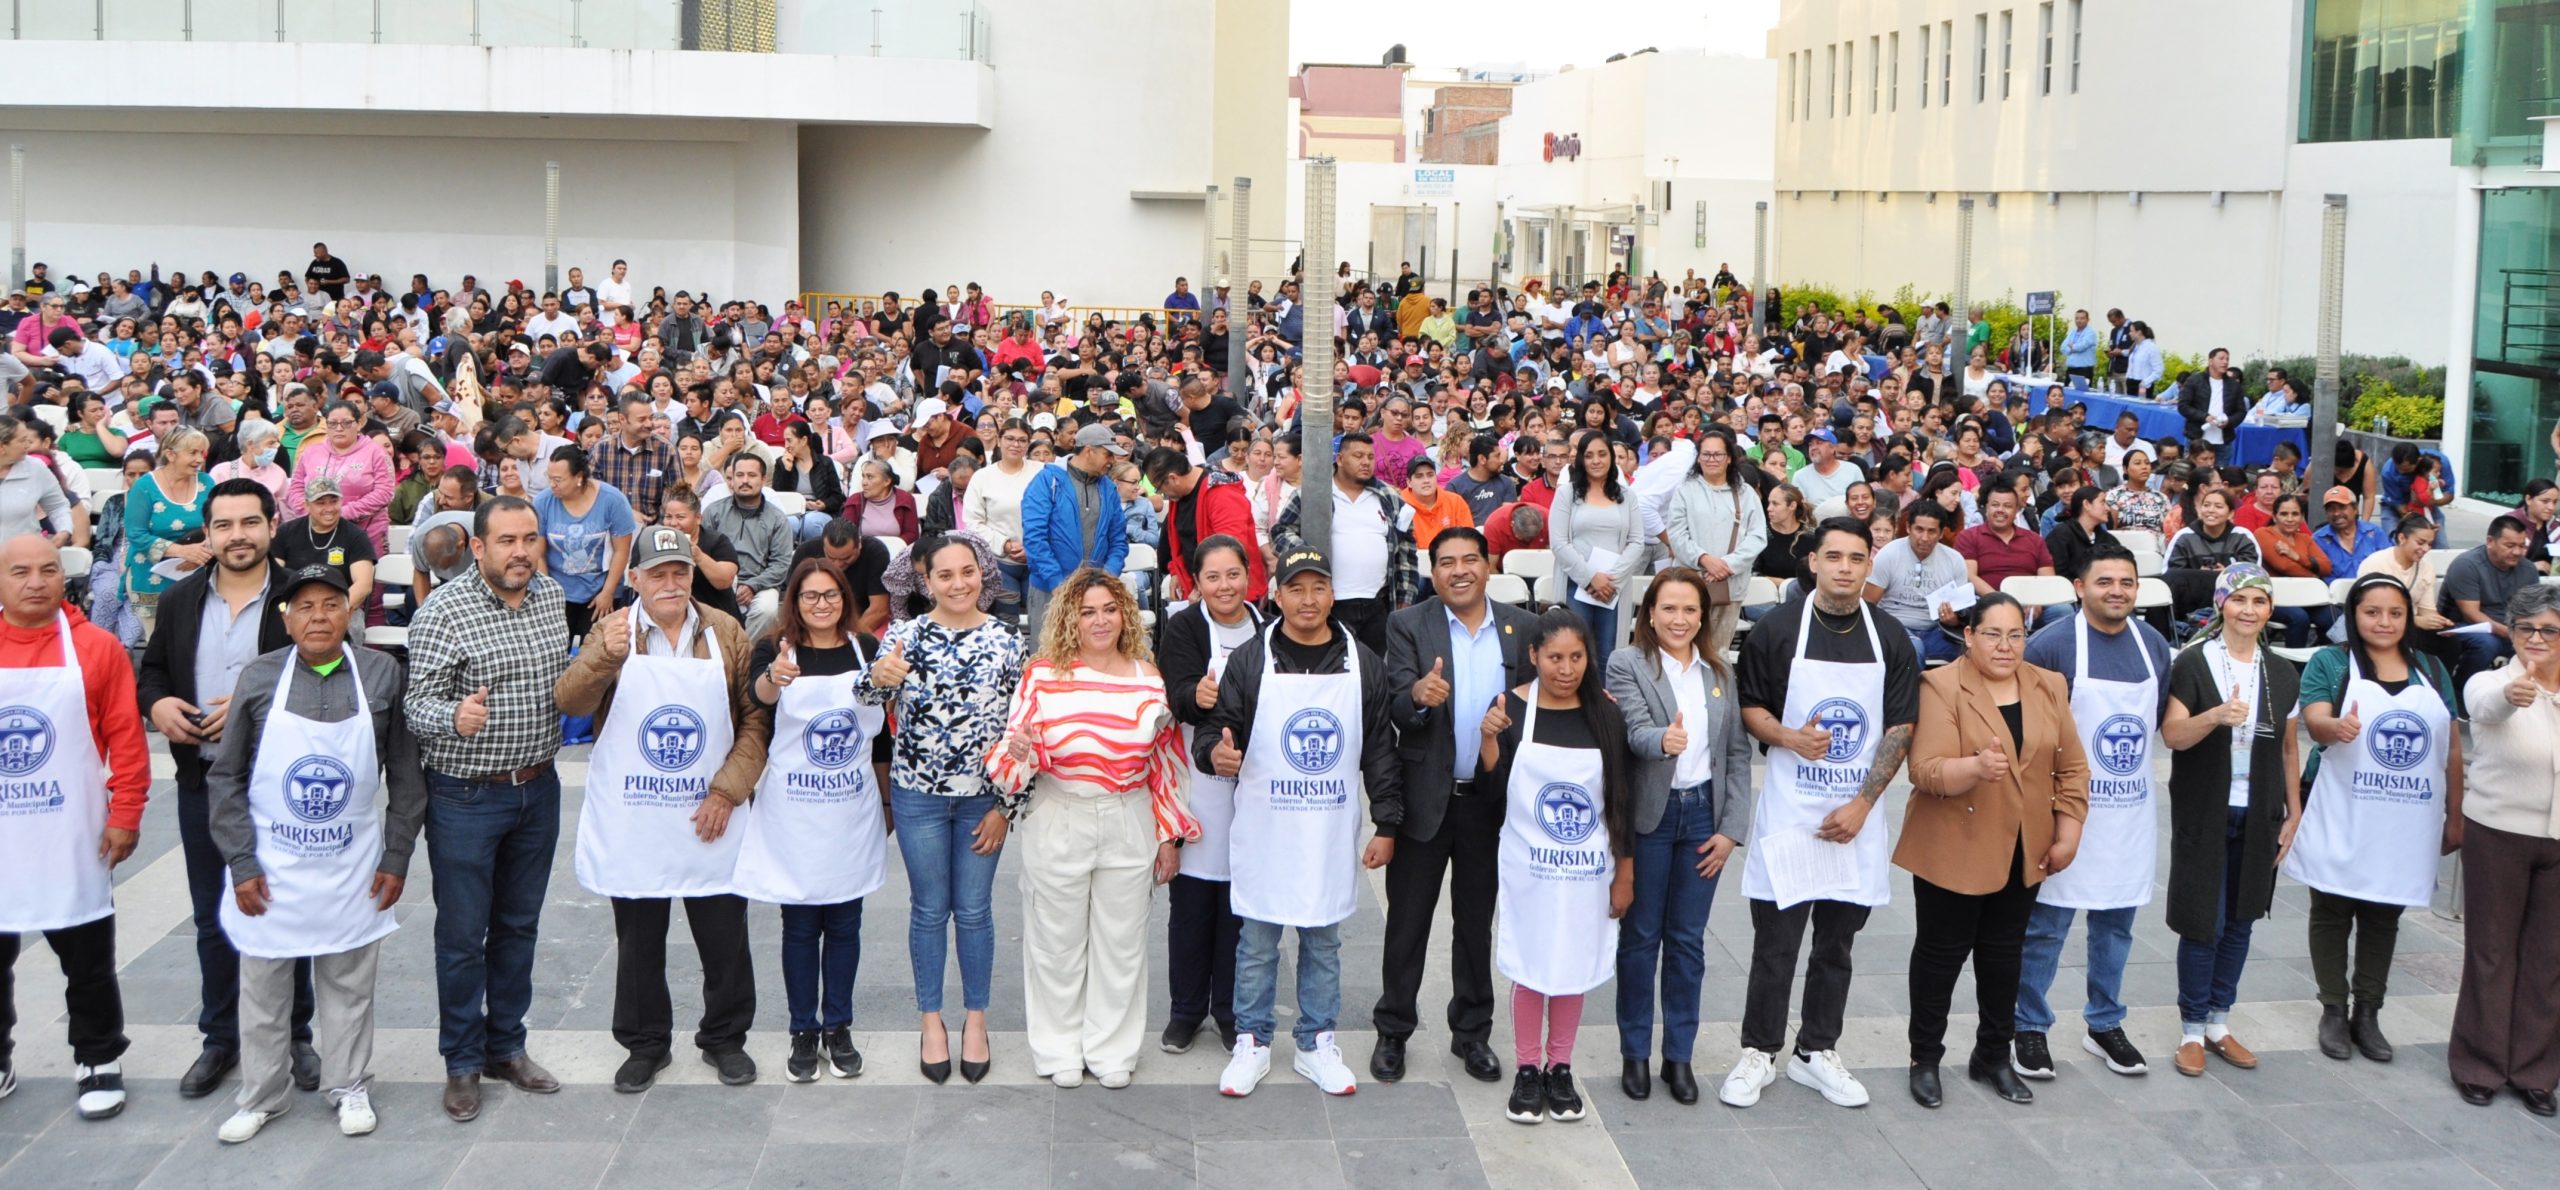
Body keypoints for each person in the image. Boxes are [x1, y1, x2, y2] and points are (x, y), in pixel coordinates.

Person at [204, 565, 421, 1143]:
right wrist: (242, 864)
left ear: (350, 611)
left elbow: (405, 776)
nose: (319, 616)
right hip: (272, 868)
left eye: (331, 604)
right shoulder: (258, 677)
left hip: (354, 866)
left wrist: (396, 857)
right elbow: (224, 780)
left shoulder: (380, 674)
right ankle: (261, 1096)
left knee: (350, 985)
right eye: (305, 607)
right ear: (286, 617)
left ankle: (349, 1085)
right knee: (264, 990)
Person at [557, 525, 770, 1092]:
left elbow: (754, 720)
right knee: (638, 939)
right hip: (637, 814)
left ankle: (725, 1038)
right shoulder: (612, 630)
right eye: (658, 574)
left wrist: (727, 791)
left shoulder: (725, 631)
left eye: (680, 573)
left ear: (693, 576)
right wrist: (600, 660)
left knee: (725, 935)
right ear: (634, 580)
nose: (671, 584)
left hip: (711, 811)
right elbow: (570, 702)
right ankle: (645, 1043)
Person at [1724, 518, 1919, 1111]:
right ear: (1811, 561)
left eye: (1856, 558)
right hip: (1791, 809)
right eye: (1832, 556)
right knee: (1775, 943)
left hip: (1856, 816)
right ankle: (1759, 1051)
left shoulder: (1891, 638)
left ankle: (1816, 1052)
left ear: (1868, 566)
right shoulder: (1777, 629)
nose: (1843, 568)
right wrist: (1786, 737)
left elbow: (1901, 726)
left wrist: (1863, 804)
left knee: (1837, 944)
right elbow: (1750, 704)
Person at [135, 478, 320, 1099]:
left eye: (249, 523)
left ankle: (296, 1034)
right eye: (223, 525)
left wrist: (249, 704)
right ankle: (220, 1036)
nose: (236, 535)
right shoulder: (182, 598)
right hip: (203, 781)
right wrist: (156, 703)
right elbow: (153, 669)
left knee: (283, 910)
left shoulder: (302, 598)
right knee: (214, 915)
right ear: (207, 535)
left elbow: (329, 672)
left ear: (272, 526)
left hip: (278, 784)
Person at [1195, 546, 1401, 1097]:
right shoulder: (1252, 660)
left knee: (1324, 941)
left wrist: (1387, 822)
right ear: (1278, 595)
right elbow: (1216, 728)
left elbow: (1379, 748)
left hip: (1328, 828)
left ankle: (1315, 1042)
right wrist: (1215, 752)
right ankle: (1253, 1042)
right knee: (1257, 942)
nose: (1308, 599)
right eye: (1297, 588)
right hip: (1267, 828)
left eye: (1318, 588)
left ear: (1332, 594)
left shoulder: (1363, 663)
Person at [987, 568, 1199, 1088]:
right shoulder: (1042, 675)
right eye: (1087, 612)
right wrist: (1021, 754)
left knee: (1121, 942)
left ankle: (1112, 1050)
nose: (1100, 620)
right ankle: (1058, 1049)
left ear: (1125, 613)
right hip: (1061, 812)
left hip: (1129, 816)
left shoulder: (1150, 677)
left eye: (1109, 609)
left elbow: (1166, 763)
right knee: (1056, 941)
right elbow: (1013, 754)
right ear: (1069, 619)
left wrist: (1169, 834)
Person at [402, 496, 571, 1122]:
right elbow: (415, 706)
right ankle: (463, 1061)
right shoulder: (443, 612)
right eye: (507, 540)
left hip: (538, 788)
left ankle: (507, 1046)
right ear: (478, 548)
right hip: (466, 794)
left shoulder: (551, 598)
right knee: (461, 937)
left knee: (518, 927)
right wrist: (453, 715)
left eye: (530, 538)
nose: (521, 551)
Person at [1901, 594, 2089, 1108]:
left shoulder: (2048, 685)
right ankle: (1925, 1058)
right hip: (1953, 846)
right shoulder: (1940, 685)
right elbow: (1927, 770)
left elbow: (2072, 766)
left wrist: (2068, 832)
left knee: (2005, 957)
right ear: (1968, 636)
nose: (2005, 646)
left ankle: (1992, 1056)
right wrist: (1974, 769)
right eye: (1992, 634)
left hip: (2023, 848)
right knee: (1941, 957)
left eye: (2016, 634)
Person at [1372, 529, 1538, 1084]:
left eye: (1470, 559)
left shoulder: (1522, 630)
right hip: (1425, 801)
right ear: (1433, 571)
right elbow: (1395, 706)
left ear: (1488, 566)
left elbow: (1540, 712)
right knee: (1408, 924)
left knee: (1475, 926)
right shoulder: (1408, 624)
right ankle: (1393, 1030)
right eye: (1447, 562)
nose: (1459, 570)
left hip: (1489, 805)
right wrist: (1418, 698)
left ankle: (1472, 1035)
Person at [858, 532, 1022, 1085]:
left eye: (967, 572)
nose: (958, 584)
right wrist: (878, 678)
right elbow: (864, 695)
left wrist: (1007, 806)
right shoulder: (905, 634)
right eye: (944, 575)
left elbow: (1022, 734)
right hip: (918, 797)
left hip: (983, 800)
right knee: (928, 910)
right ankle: (932, 1021)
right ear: (925, 582)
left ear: (982, 575)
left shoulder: (1006, 639)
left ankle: (976, 1020)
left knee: (974, 911)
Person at [0, 534, 148, 1122]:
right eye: (19, 571)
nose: (36, 581)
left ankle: (98, 1057)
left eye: (48, 570)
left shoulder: (96, 647)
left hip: (72, 831)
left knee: (87, 960)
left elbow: (126, 741)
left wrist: (126, 814)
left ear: (65, 577)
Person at [2287, 575, 2463, 1064]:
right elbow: (2314, 717)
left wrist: (2456, 812)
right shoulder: (2331, 661)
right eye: (2371, 612)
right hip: (2342, 805)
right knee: (2332, 906)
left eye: (2395, 613)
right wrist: (2334, 727)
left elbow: (2450, 745)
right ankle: (2332, 1009)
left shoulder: (2429, 667)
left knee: (2384, 911)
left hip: (2407, 814)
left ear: (2407, 618)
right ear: (2352, 616)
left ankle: (2369, 1010)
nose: (2383, 622)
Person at [2013, 545, 2173, 1080]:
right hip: (2063, 808)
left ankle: (2104, 1022)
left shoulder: (2152, 646)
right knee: (2046, 926)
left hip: (2127, 813)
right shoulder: (2051, 645)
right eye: (2104, 581)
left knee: (2116, 925)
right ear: (2079, 588)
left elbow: (2152, 725)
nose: (2117, 591)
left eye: (2127, 582)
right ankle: (2028, 1026)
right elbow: (2028, 729)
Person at [1468, 609, 1634, 1125]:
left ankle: (1559, 1066)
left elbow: (1619, 801)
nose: (1566, 669)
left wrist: (1624, 873)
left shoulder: (1605, 713)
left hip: (1588, 868)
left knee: (1572, 967)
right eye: (1555, 657)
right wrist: (1489, 740)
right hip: (1531, 869)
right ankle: (1526, 1069)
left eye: (1577, 657)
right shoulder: (1510, 708)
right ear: (1534, 656)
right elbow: (1491, 794)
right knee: (1533, 965)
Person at [734, 557, 888, 1084]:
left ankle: (838, 1026)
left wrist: (887, 802)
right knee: (799, 926)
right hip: (794, 812)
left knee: (845, 925)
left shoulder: (867, 650)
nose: (821, 604)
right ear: (793, 603)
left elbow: (881, 735)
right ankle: (803, 1029)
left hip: (849, 808)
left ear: (845, 598)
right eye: (809, 596)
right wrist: (775, 678)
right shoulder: (774, 650)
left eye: (830, 595)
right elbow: (758, 698)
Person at [1605, 568, 1755, 1105]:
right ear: (1649, 612)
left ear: (1703, 616)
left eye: (1690, 610)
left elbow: (1736, 753)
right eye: (1668, 608)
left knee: (1688, 942)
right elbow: (1634, 731)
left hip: (1702, 819)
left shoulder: (1719, 670)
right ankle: (1634, 1053)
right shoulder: (1628, 663)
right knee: (1642, 938)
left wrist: (1732, 829)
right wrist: (1661, 740)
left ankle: (1679, 1056)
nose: (1679, 619)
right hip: (1652, 816)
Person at [2159, 565, 2302, 1077]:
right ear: (2222, 604)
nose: (2249, 610)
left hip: (2259, 810)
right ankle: (2192, 1028)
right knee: (2204, 920)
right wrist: (2214, 716)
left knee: (2241, 919)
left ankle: (2220, 1021)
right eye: (2239, 600)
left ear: (2269, 611)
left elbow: (2289, 748)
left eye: (2259, 602)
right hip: (2206, 808)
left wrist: (2294, 810)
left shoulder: (2282, 672)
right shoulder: (2195, 663)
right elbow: (2173, 735)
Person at [2452, 582, 2560, 1116]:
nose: (2535, 639)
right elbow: (2486, 708)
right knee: (2492, 952)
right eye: (2525, 630)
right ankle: (2480, 1064)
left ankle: (2536, 1072)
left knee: (2549, 960)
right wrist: (2511, 695)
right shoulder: (2492, 682)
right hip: (2498, 832)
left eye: (2548, 630)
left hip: (2557, 840)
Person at [1156, 537, 1264, 1056]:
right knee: (1192, 907)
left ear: (1249, 576)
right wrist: (1192, 697)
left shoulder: (1268, 630)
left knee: (1239, 909)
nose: (1225, 586)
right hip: (1196, 790)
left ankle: (1229, 1009)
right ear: (1196, 583)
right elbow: (1171, 694)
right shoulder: (1184, 628)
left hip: (1253, 789)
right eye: (1213, 577)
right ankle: (1185, 1010)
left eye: (1233, 575)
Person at [1270, 433, 1419, 656]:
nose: (1366, 462)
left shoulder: (1388, 496)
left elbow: (1407, 549)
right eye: (1358, 456)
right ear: (1339, 459)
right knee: (1330, 666)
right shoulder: (1314, 492)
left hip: (1377, 602)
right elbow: (1281, 532)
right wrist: (1307, 556)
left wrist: (1405, 601)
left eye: (1370, 456)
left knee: (1373, 670)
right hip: (1330, 603)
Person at [1663, 425, 1767, 657]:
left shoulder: (1745, 493)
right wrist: (1705, 560)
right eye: (1706, 454)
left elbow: (1757, 536)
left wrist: (1727, 565)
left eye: (1718, 454)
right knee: (1683, 649)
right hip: (1689, 583)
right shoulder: (1685, 491)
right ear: (1698, 458)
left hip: (1731, 585)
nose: (1712, 459)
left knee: (1718, 652)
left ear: (1729, 458)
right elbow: (1677, 535)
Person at [1550, 428, 1646, 667]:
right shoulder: (1567, 494)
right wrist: (1591, 578)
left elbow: (1636, 541)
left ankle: (1606, 704)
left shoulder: (1627, 496)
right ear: (1580, 458)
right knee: (1575, 652)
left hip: (1613, 588)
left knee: (1608, 654)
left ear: (1611, 458)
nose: (1596, 460)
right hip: (1576, 585)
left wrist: (1610, 580)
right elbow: (1559, 543)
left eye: (1602, 454)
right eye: (1589, 454)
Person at [1021, 423, 1129, 632]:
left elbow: (1118, 540)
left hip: (1096, 593)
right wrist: (1057, 583)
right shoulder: (1047, 481)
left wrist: (1107, 577)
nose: (1112, 461)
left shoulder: (1108, 487)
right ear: (1089, 450)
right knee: (1049, 659)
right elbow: (1035, 538)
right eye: (1108, 454)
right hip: (1050, 591)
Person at [533, 444, 635, 640]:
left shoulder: (612, 501)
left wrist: (608, 592)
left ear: (579, 477)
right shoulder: (543, 502)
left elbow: (621, 551)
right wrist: (549, 594)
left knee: (595, 650)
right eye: (549, 478)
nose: (552, 484)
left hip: (601, 589)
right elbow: (538, 554)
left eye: (558, 480)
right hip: (559, 589)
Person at [1145, 447, 1267, 604]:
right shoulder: (1181, 495)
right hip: (1201, 588)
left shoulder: (1222, 494)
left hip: (1230, 594)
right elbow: (1180, 540)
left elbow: (1230, 551)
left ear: (1173, 478)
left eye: (1159, 487)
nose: (1163, 494)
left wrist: (1203, 590)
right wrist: (1176, 571)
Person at [124, 425, 212, 636]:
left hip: (198, 569)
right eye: (192, 453)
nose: (199, 459)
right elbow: (135, 533)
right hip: (150, 573)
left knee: (197, 639)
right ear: (170, 455)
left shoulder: (207, 483)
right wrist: (181, 552)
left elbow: (217, 525)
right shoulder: (145, 486)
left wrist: (202, 553)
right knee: (159, 642)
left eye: (202, 452)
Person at [702, 452, 792, 640]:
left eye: (752, 475)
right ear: (731, 479)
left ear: (763, 479)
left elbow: (781, 564)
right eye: (740, 475)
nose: (745, 481)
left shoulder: (777, 518)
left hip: (760, 583)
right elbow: (703, 553)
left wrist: (754, 585)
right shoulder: (714, 512)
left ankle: (743, 655)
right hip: (719, 581)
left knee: (767, 610)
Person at [1866, 501, 1970, 663]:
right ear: (1908, 528)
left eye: (1931, 531)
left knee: (1972, 649)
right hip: (1896, 627)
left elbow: (1961, 610)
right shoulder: (1889, 555)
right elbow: (1868, 604)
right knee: (1914, 649)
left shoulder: (1954, 560)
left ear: (1941, 533)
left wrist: (1953, 620)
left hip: (1937, 630)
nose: (1924, 538)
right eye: (1919, 530)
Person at [2441, 515, 2534, 686]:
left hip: (2509, 630)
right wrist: (2512, 633)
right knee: (2486, 644)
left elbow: (2532, 610)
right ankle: (2461, 691)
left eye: (2522, 546)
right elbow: (2471, 614)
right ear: (2490, 541)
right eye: (2510, 545)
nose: (2517, 552)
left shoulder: (2527, 569)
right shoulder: (2467, 565)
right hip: (2464, 627)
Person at [1954, 484, 2055, 599]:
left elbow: (2047, 580)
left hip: (2031, 602)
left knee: (2062, 610)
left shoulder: (2035, 539)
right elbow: (1969, 576)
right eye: (1995, 505)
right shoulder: (1969, 536)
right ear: (1987, 508)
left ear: (2017, 510)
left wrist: (2036, 603)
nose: (2000, 510)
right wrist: (2001, 601)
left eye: (2007, 506)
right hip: (1987, 602)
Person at [2312, 485, 2389, 577]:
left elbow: (2389, 565)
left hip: (2371, 588)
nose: (2336, 513)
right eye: (2331, 509)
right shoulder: (2318, 539)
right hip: (2334, 590)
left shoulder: (2375, 533)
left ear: (2355, 509)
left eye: (2342, 507)